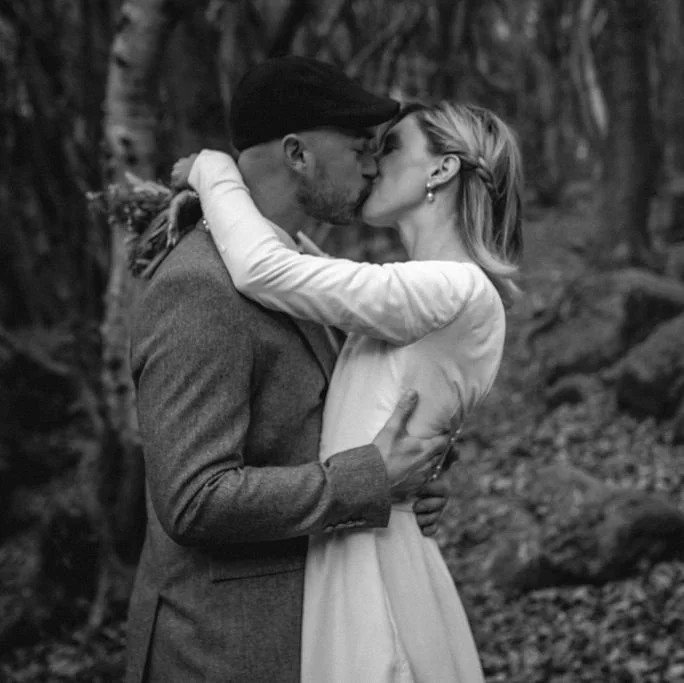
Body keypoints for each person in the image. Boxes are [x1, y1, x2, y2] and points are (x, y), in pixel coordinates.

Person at [126, 56, 455, 683]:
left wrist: (408, 481)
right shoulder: (201, 289)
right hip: (224, 651)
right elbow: (193, 499)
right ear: (298, 154)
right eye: (358, 146)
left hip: (312, 633)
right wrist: (370, 480)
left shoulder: (302, 273)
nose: (372, 165)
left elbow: (322, 428)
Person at [179, 89, 523, 680]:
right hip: (360, 539)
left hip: (373, 561)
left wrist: (212, 168)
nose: (371, 163)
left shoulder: (452, 288)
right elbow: (304, 270)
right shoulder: (421, 292)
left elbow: (265, 268)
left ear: (442, 169)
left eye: (390, 147)